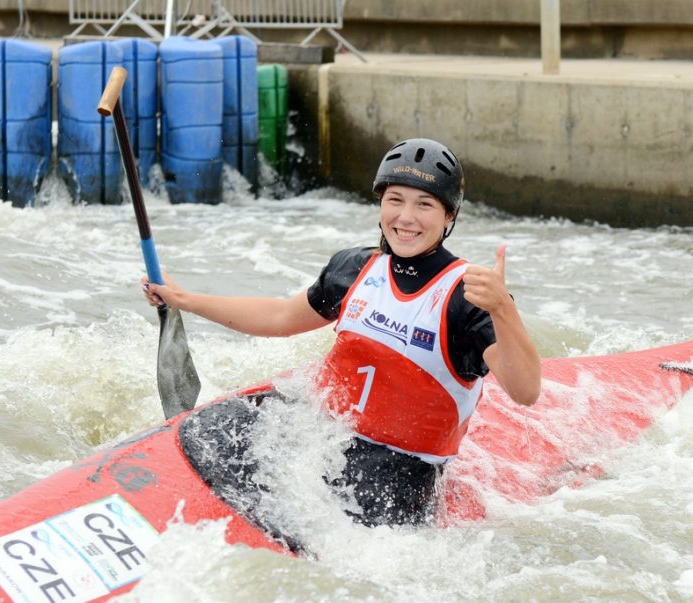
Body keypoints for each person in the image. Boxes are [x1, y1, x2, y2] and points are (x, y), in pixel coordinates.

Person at [142, 138, 541, 527]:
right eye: (395, 200)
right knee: (208, 431)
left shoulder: (470, 296)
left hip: (400, 469)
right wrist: (185, 299)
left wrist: (503, 308)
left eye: (425, 205)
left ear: (450, 216)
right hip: (321, 432)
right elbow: (281, 317)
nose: (405, 217)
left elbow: (525, 390)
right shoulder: (354, 267)